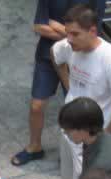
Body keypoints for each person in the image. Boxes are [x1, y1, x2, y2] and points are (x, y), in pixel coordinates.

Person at [51, 4, 111, 179]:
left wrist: (101, 141)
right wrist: (68, 85)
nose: (69, 39)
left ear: (93, 31)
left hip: (92, 140)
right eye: (67, 33)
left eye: (75, 34)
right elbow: (55, 54)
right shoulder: (69, 46)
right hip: (68, 133)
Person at [11, 0, 84, 167]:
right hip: (46, 56)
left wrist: (56, 26)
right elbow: (39, 26)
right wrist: (74, 36)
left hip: (78, 58)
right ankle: (35, 146)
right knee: (36, 106)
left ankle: (75, 150)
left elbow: (93, 32)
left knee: (77, 106)